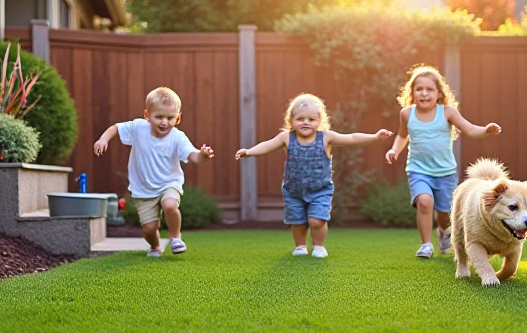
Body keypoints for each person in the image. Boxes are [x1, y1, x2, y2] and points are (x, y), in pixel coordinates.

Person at [235, 93, 392, 258]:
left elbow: (351, 138)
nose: (306, 123)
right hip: (293, 190)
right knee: (297, 221)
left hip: (320, 190)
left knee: (317, 220)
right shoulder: (286, 138)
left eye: (311, 119)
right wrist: (249, 152)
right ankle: (300, 246)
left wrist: (375, 137)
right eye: (300, 119)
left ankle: (319, 246)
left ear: (319, 121)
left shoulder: (326, 137)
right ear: (291, 121)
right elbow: (267, 145)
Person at [384, 65, 502, 258]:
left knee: (445, 214)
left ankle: (443, 233)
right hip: (418, 170)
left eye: (429, 89)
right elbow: (401, 136)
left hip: (445, 172)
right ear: (412, 92)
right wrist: (394, 149)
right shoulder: (407, 114)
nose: (424, 93)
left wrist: (486, 130)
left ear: (439, 93)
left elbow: (470, 129)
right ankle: (426, 245)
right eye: (419, 89)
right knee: (424, 201)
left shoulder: (447, 112)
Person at [92, 86, 214, 258]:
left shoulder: (178, 137)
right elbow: (116, 128)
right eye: (159, 117)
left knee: (170, 205)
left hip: (169, 183)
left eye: (170, 118)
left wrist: (203, 155)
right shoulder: (138, 128)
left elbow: (193, 156)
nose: (165, 122)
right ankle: (155, 246)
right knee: (149, 229)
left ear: (178, 118)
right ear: (147, 116)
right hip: (143, 188)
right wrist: (103, 139)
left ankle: (175, 237)